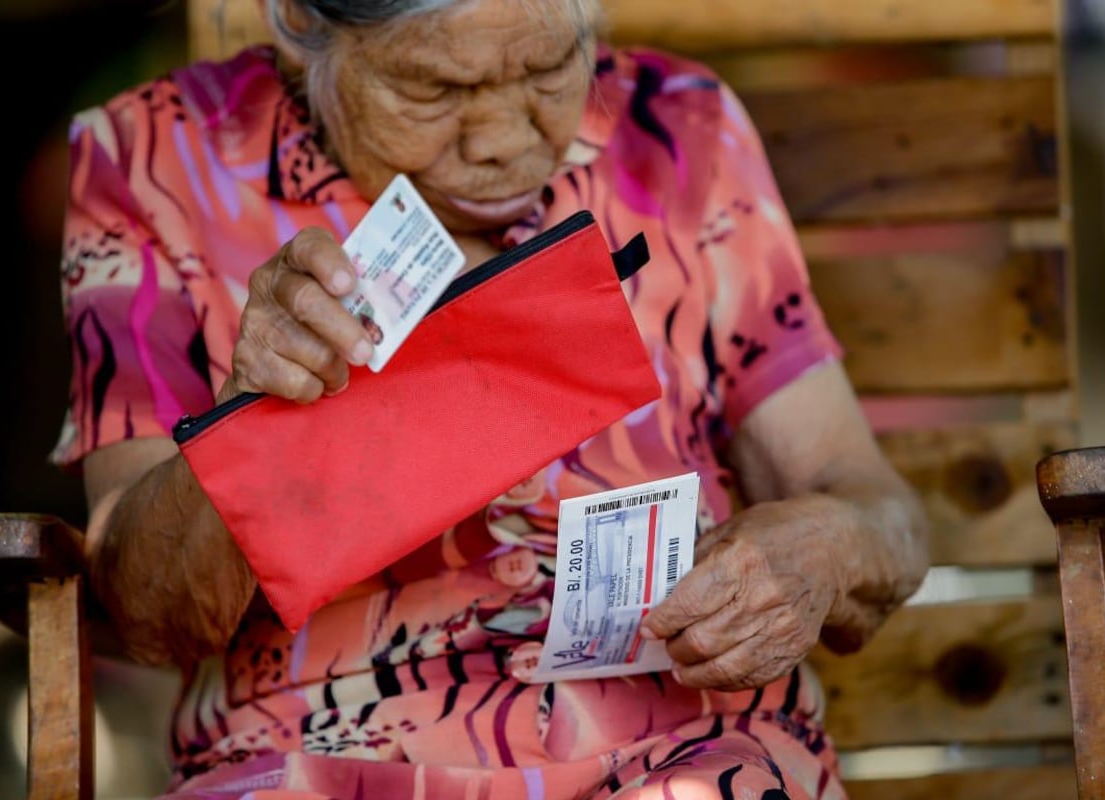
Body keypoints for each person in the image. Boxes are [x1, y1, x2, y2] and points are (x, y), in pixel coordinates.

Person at [52, 0, 930, 797]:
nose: (505, 140)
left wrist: (820, 549)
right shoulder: (151, 161)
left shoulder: (679, 127)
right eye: (433, 88)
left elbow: (877, 507)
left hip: (685, 754)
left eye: (551, 71)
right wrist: (254, 419)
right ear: (298, 19)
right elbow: (148, 613)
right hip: (318, 763)